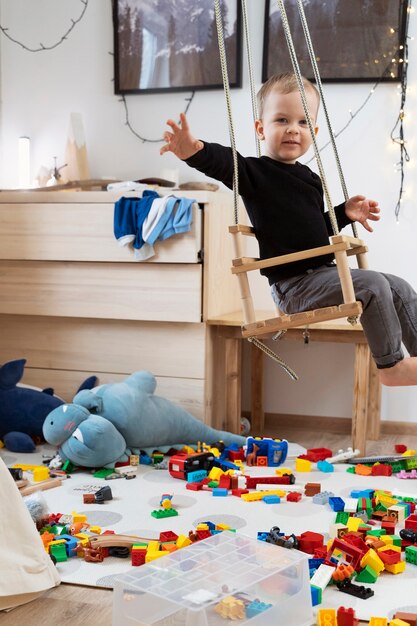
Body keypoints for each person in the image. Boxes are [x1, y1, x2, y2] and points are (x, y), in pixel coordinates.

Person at [160, 72, 417, 387]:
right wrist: (195, 150)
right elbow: (225, 163)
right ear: (261, 128)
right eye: (282, 120)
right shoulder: (254, 173)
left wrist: (343, 213)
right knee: (374, 283)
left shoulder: (310, 180)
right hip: (294, 288)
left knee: (399, 287)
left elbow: (311, 235)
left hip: (321, 274)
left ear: (315, 131)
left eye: (304, 122)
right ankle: (392, 368)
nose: (294, 129)